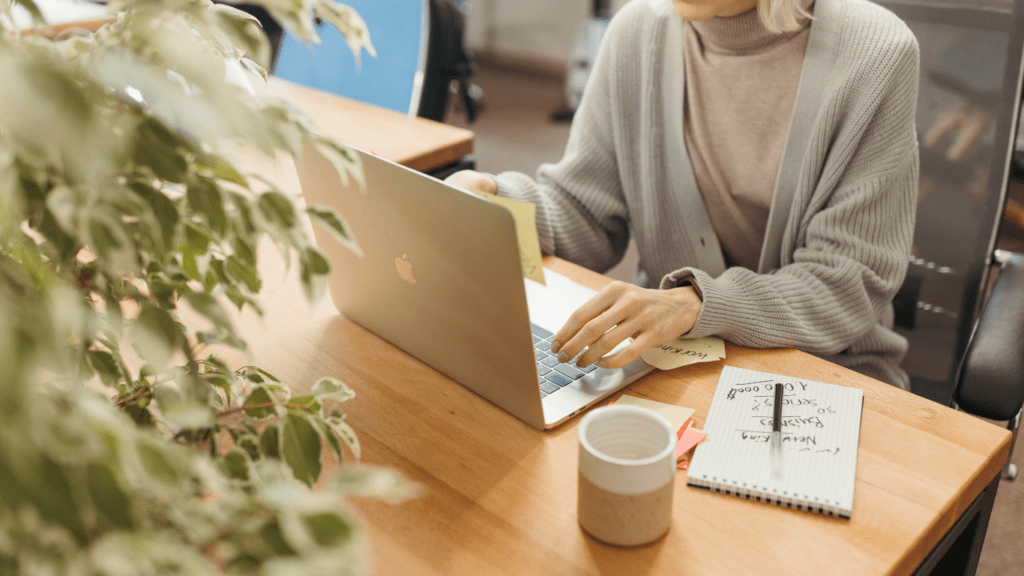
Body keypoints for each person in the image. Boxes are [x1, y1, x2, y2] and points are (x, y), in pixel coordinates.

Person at [446, 0, 920, 389]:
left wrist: (693, 305)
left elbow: (845, 283)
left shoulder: (877, 53)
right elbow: (585, 209)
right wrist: (498, 202)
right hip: (672, 362)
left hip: (825, 371)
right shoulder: (635, 32)